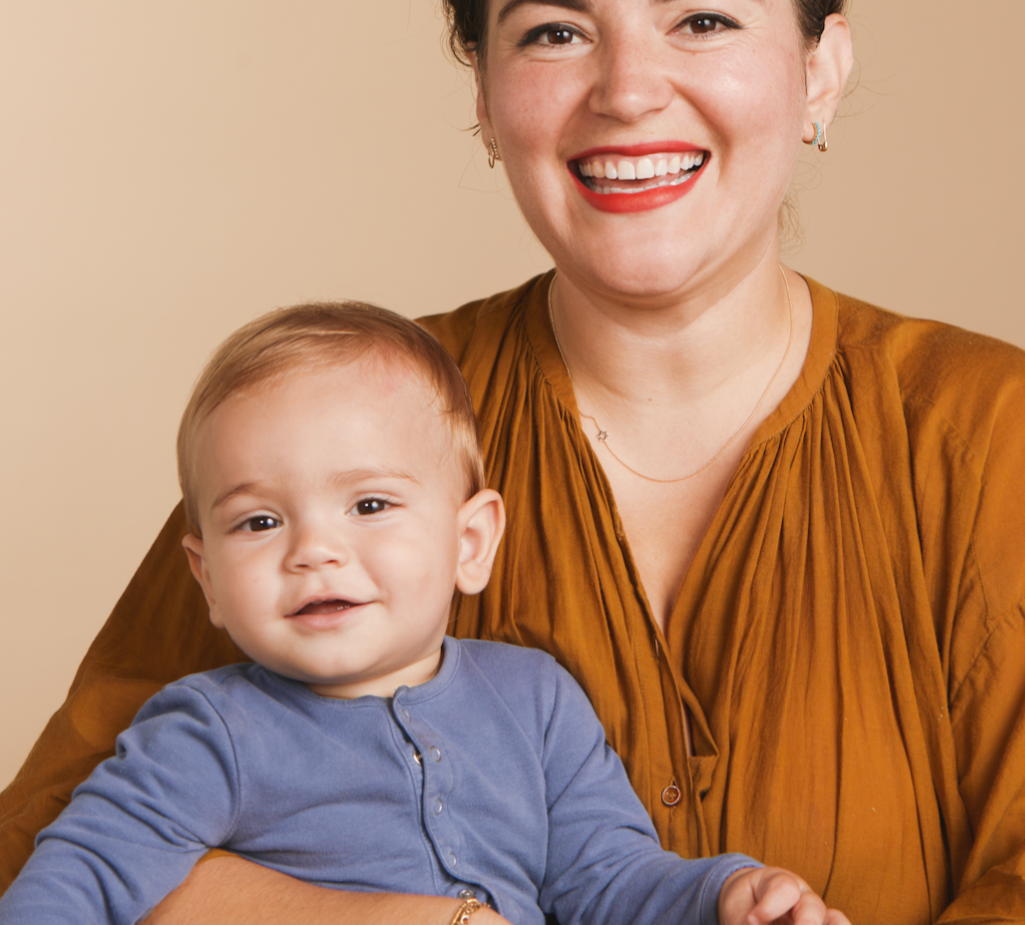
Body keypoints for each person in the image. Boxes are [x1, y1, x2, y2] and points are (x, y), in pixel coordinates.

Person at [0, 0, 1025, 925]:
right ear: (485, 94)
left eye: (703, 19)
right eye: (555, 31)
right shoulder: (334, 423)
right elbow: (45, 848)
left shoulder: (987, 438)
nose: (627, 90)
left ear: (819, 68)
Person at [0, 302, 839, 925]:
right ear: (207, 579)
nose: (314, 550)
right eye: (259, 522)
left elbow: (610, 878)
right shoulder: (209, 730)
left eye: (369, 505)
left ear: (471, 542)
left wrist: (725, 892)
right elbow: (82, 872)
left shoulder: (535, 700)